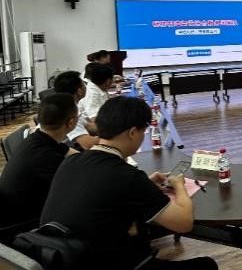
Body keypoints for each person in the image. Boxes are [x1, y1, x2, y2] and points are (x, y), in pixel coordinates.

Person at [41, 97, 218, 270]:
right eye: (143, 131)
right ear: (133, 132)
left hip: (60, 258)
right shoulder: (128, 176)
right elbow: (184, 224)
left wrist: (145, 185)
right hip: (107, 263)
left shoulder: (71, 161)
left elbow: (102, 192)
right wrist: (179, 186)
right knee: (207, 265)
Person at [0, 94, 78, 225]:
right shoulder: (44, 156)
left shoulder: (39, 138)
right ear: (71, 123)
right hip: (24, 224)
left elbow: (72, 153)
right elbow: (78, 184)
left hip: (19, 210)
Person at [54, 70, 98, 150]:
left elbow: (91, 126)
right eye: (84, 84)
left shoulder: (71, 106)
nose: (86, 86)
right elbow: (88, 144)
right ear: (79, 91)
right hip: (62, 154)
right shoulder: (68, 114)